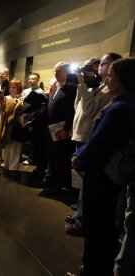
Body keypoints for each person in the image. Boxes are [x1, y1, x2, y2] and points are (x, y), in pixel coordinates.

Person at [67, 57, 135, 276]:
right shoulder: (125, 103)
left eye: (111, 76)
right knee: (104, 226)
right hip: (107, 173)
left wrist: (78, 158)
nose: (107, 78)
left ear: (123, 79)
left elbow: (98, 141)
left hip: (102, 174)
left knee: (98, 227)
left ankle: (93, 269)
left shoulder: (120, 108)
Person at [66, 53, 122, 238]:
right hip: (81, 134)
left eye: (103, 64)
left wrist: (82, 84)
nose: (98, 69)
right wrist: (84, 86)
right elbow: (79, 106)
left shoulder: (109, 91)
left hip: (90, 138)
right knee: (84, 184)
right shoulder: (98, 87)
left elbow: (90, 110)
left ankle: (83, 221)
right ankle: (79, 215)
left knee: (89, 185)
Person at [39, 61, 77, 196]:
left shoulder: (71, 89)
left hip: (60, 130)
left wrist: (66, 129)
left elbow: (71, 111)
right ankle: (51, 180)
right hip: (50, 128)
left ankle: (58, 186)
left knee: (60, 159)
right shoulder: (56, 88)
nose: (56, 73)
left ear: (67, 72)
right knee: (52, 157)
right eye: (55, 71)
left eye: (59, 71)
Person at [0, 79, 24, 176]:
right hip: (6, 125)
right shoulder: (6, 98)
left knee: (15, 147)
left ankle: (13, 168)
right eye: (10, 87)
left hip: (17, 125)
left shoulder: (22, 98)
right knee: (6, 146)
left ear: (18, 88)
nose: (11, 89)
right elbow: (0, 111)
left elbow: (22, 112)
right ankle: (6, 165)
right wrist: (1, 103)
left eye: (14, 87)